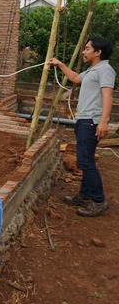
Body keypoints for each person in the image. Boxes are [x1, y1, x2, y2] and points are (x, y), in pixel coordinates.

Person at [48, 37, 115, 217]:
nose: (84, 52)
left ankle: (99, 201)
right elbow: (75, 79)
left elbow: (108, 96)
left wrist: (103, 122)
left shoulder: (105, 70)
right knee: (84, 160)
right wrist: (60, 64)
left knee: (86, 162)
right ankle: (85, 196)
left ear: (98, 52)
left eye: (87, 49)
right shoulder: (92, 70)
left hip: (91, 121)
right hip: (83, 120)